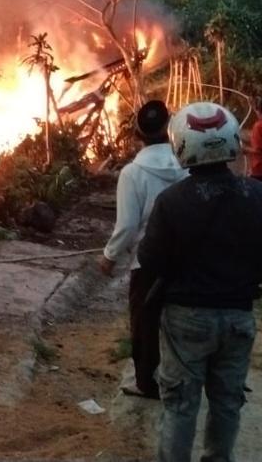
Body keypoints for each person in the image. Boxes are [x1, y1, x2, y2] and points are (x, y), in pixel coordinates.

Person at [139, 101, 262, 462]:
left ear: (181, 146)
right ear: (233, 141)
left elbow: (149, 259)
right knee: (227, 402)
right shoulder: (260, 195)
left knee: (180, 405)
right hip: (238, 318)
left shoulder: (171, 202)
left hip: (186, 320)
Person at [100, 100, 187, 400]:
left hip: (147, 260)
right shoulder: (186, 164)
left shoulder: (132, 173)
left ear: (138, 133)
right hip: (183, 258)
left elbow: (126, 224)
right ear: (170, 127)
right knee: (179, 317)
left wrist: (109, 256)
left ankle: (146, 382)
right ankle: (181, 377)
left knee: (144, 321)